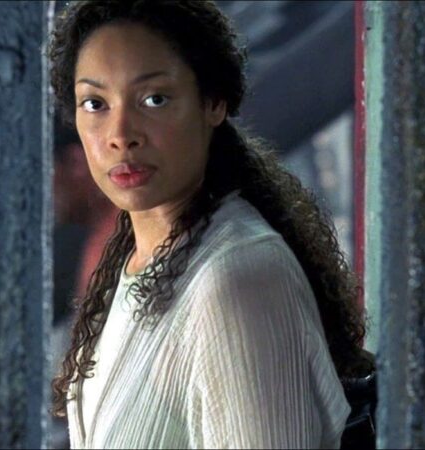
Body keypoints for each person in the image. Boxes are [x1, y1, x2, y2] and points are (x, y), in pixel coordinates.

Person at [47, 1, 370, 448]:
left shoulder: (235, 280)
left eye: (154, 99)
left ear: (213, 102)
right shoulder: (133, 264)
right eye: (95, 103)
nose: (120, 134)